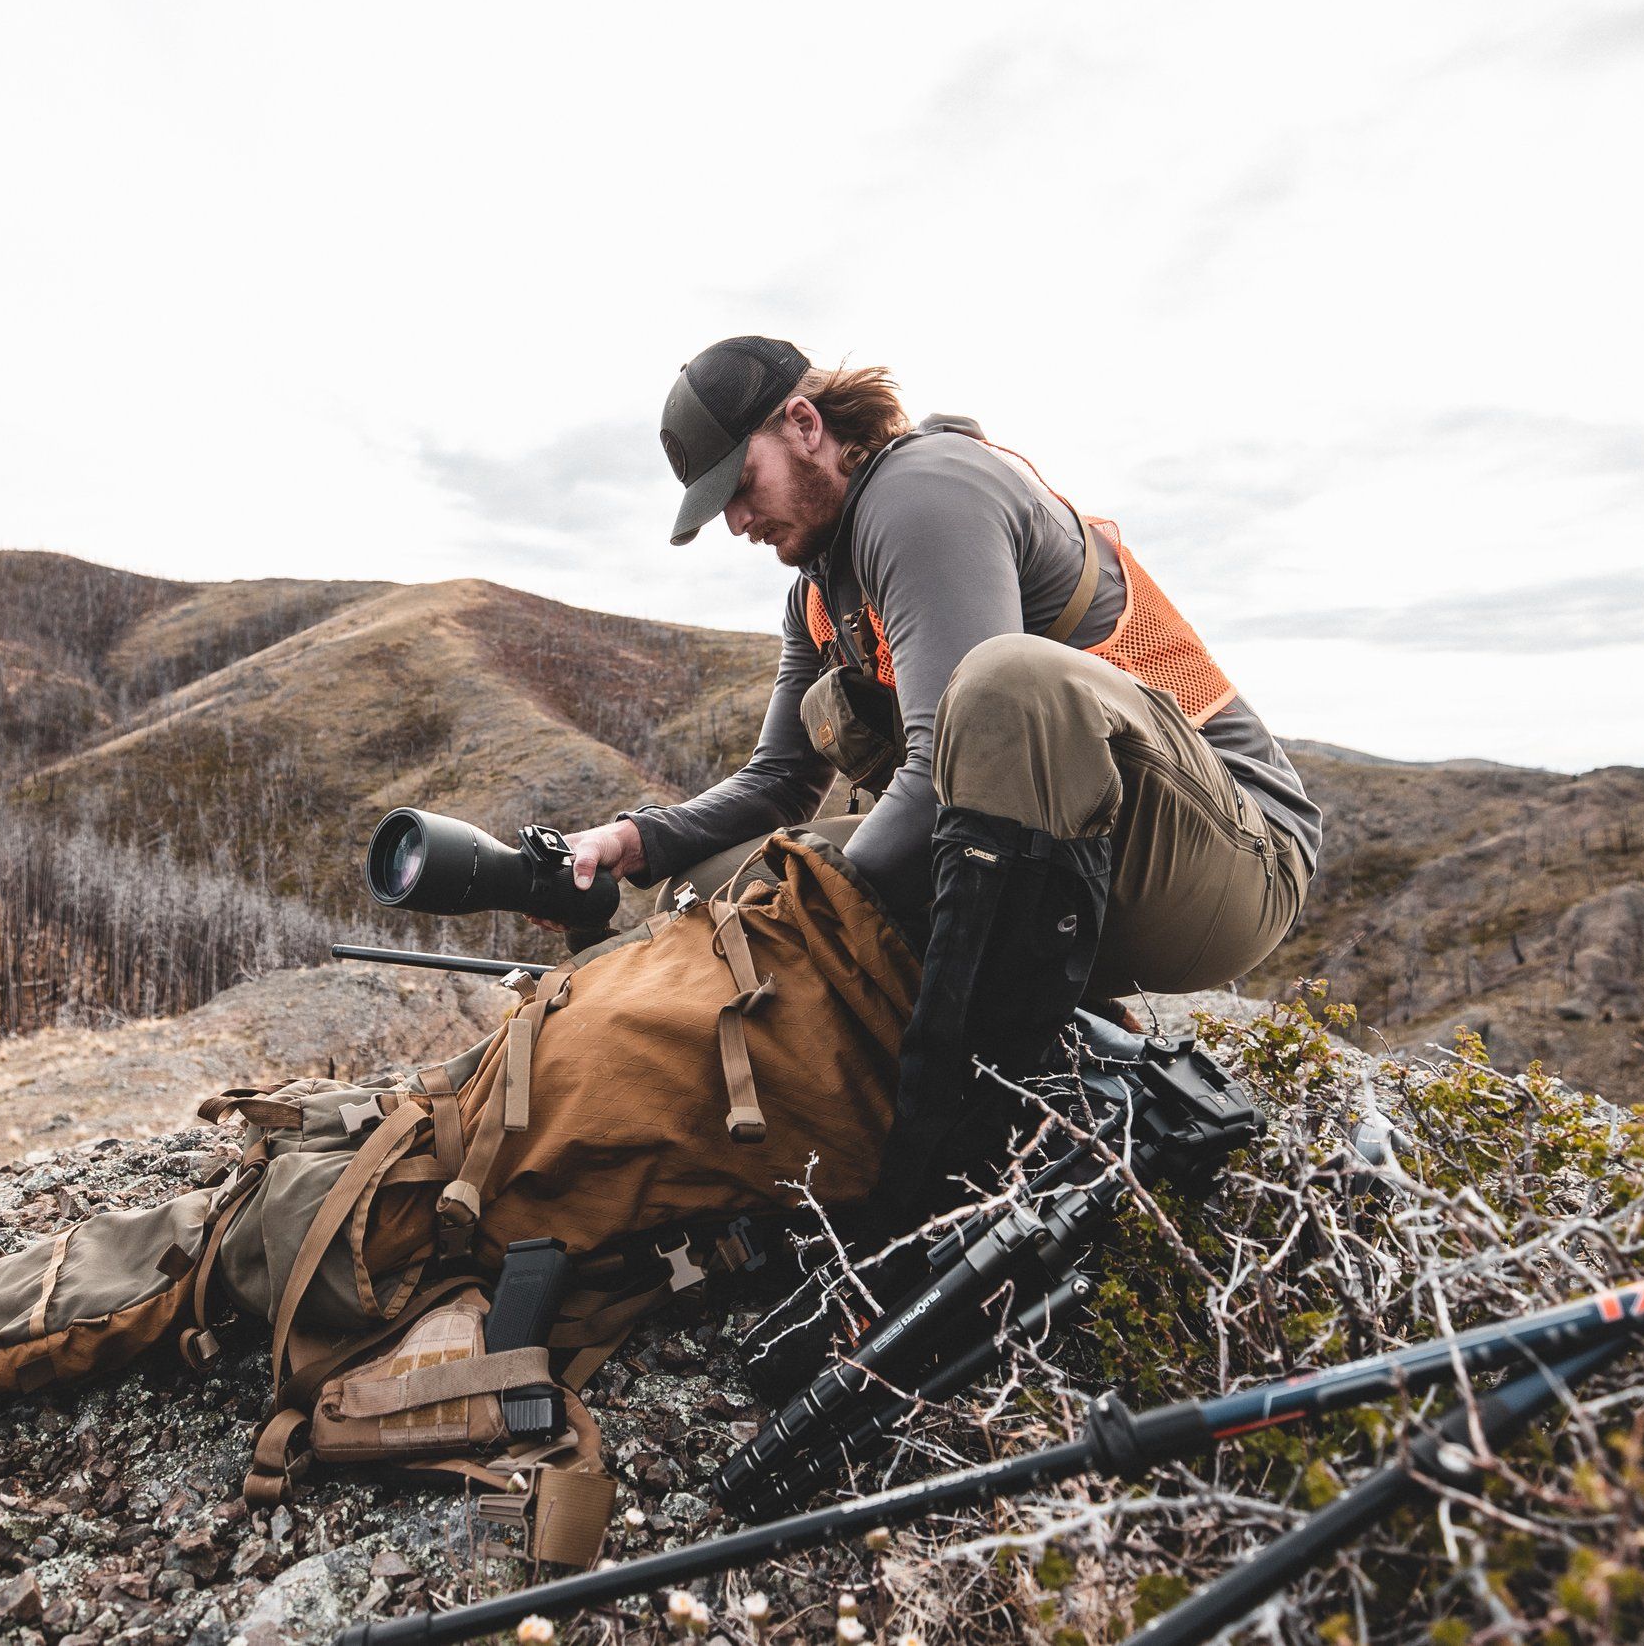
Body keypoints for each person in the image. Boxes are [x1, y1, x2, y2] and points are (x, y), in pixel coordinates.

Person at [554, 335, 1323, 1197]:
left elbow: (938, 780)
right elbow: (778, 781)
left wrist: (784, 924)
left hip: (1229, 858)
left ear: (804, 425)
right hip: (1060, 858)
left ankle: (949, 1129)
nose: (736, 522)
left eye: (739, 485)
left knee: (1002, 685)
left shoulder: (922, 495)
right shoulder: (816, 587)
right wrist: (635, 840)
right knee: (700, 881)